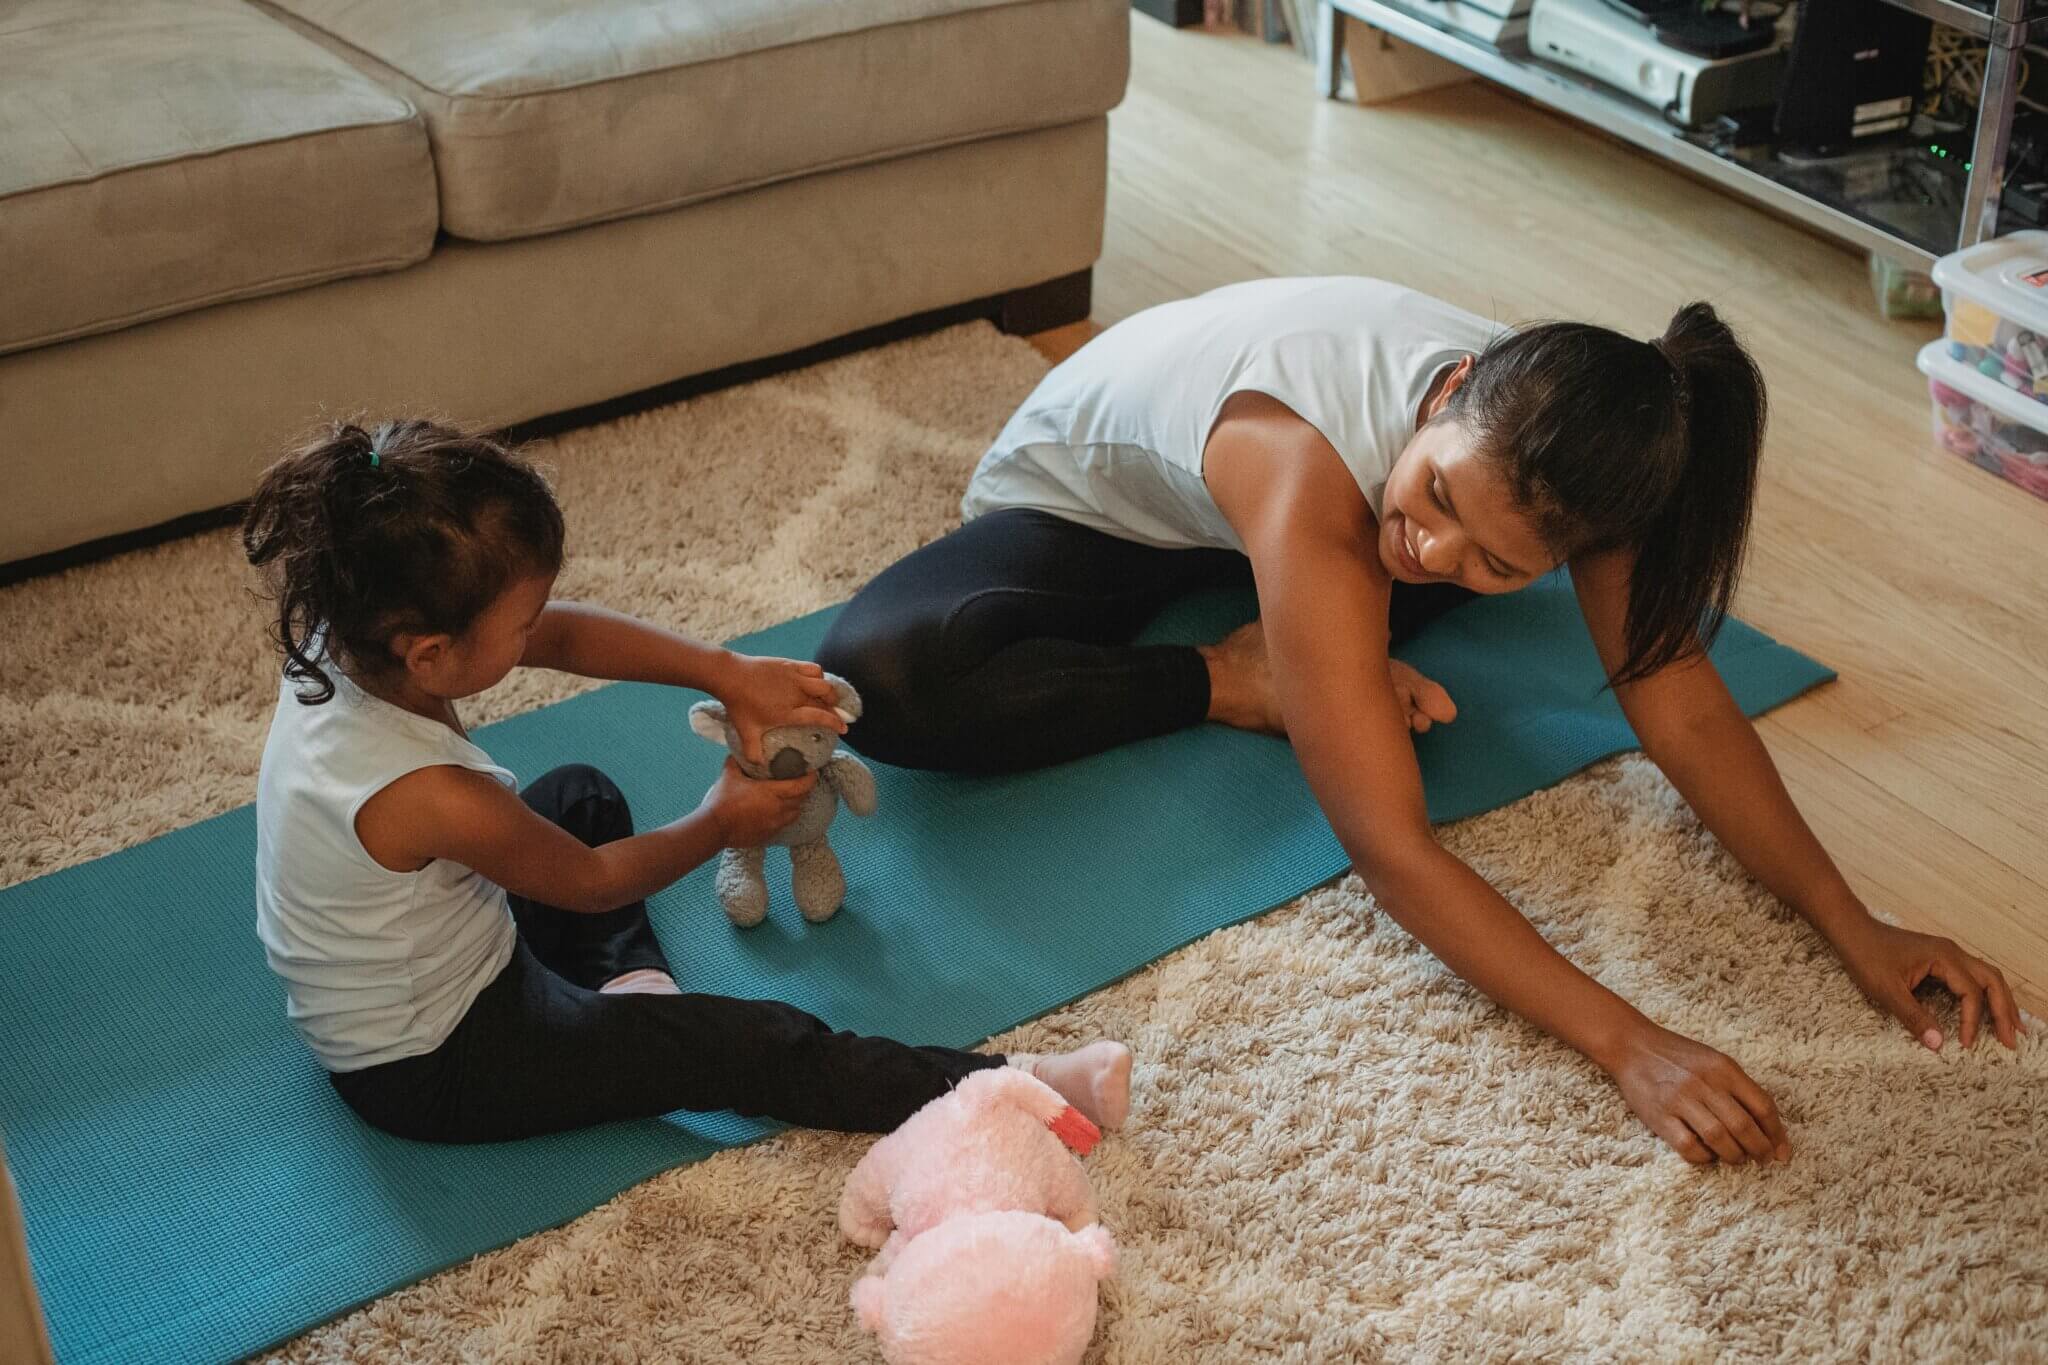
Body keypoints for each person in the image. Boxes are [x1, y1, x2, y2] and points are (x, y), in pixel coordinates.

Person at [816, 276, 2023, 1166]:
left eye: (1498, 565)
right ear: (1449, 393)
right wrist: (1628, 1043)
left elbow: (1681, 709)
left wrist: (1848, 920)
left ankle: (1310, 651)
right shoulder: (1315, 474)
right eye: (1437, 495)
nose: (1432, 550)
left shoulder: (1567, 458)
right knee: (884, 676)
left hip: (1300, 551)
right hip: (1102, 517)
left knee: (1416, 566)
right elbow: (1391, 847)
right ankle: (1242, 678)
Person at [243, 419, 1130, 1144]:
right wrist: (722, 817)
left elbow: (566, 638)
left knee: (582, 795)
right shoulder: (428, 793)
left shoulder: (350, 632)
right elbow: (590, 885)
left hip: (424, 956)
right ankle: (1019, 1090)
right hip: (438, 1060)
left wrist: (726, 672)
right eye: (517, 626)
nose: (534, 636)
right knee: (747, 1041)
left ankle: (628, 990)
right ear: (433, 653)